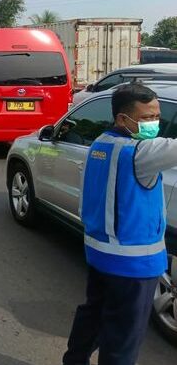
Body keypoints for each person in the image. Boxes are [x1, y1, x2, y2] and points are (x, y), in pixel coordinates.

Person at [63, 83, 173, 365]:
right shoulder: (140, 153)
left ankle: (74, 360)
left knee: (94, 314)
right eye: (147, 118)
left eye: (157, 115)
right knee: (123, 337)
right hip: (134, 265)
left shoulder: (101, 143)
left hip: (100, 254)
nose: (154, 123)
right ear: (122, 119)